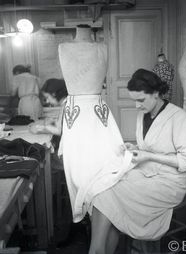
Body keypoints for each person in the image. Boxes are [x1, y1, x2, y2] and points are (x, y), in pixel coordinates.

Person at [88, 68, 186, 254]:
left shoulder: (178, 117)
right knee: (102, 186)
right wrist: (134, 148)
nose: (137, 106)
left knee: (106, 194)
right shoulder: (143, 115)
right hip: (146, 174)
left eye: (141, 100)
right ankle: (99, 250)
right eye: (134, 100)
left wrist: (149, 156)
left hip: (169, 183)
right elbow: (149, 147)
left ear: (156, 94)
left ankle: (96, 250)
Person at [58, 24, 134, 224]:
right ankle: (91, 216)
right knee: (80, 171)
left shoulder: (102, 47)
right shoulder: (63, 47)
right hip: (76, 117)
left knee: (102, 166)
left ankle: (101, 218)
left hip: (98, 116)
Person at [29, 78, 67, 150]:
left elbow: (60, 130)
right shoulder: (64, 104)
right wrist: (51, 122)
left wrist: (42, 127)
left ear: (54, 94)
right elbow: (61, 124)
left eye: (47, 97)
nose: (47, 101)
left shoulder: (66, 105)